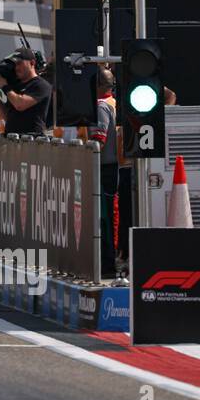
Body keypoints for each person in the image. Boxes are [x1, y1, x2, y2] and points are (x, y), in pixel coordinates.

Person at [89, 69, 119, 276]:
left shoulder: (100, 106)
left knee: (105, 219)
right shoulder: (115, 103)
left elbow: (98, 140)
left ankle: (107, 264)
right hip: (114, 166)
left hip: (103, 167)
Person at [0, 48, 52, 137]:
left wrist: (5, 86)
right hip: (12, 138)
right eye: (15, 64)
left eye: (19, 63)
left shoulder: (41, 85)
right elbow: (7, 115)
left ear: (32, 63)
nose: (16, 68)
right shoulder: (14, 86)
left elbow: (20, 105)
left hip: (31, 141)